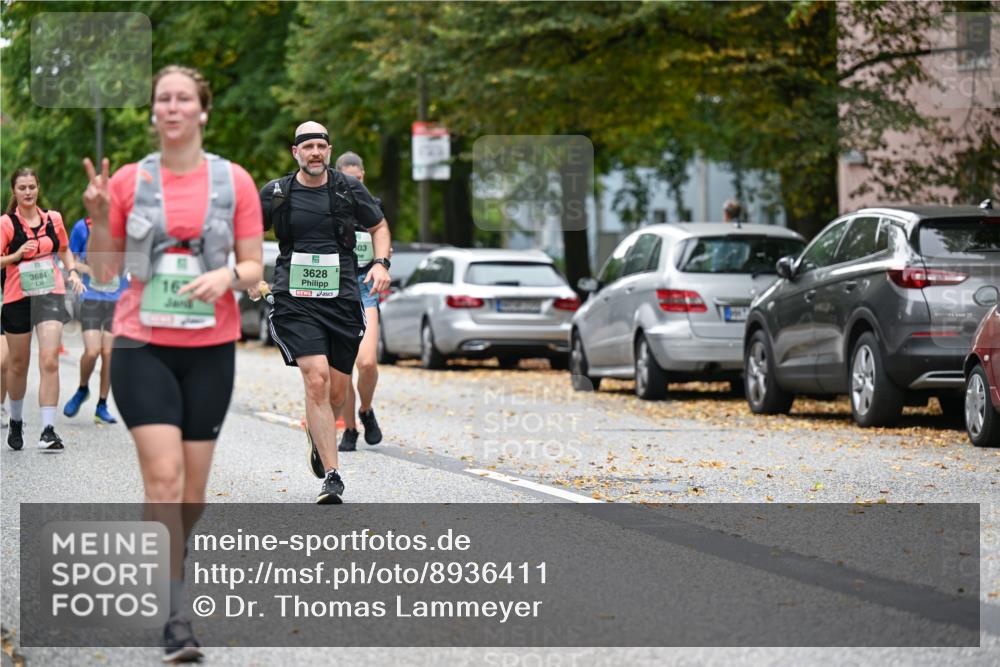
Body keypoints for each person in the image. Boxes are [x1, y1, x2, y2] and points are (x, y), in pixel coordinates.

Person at [83, 64, 263, 663]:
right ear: (154, 112)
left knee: (192, 492)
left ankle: (167, 563)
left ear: (202, 110)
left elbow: (254, 267)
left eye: (184, 98)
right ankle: (174, 615)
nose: (173, 107)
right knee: (163, 479)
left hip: (210, 349)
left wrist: (226, 276)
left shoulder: (234, 181)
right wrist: (100, 214)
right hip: (142, 345)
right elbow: (106, 272)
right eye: (164, 98)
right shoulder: (129, 181)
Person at [255, 122, 391, 504]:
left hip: (342, 298)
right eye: (307, 146)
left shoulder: (348, 189)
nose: (315, 152)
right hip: (295, 298)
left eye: (321, 146)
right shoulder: (277, 193)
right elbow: (247, 233)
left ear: (329, 150)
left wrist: (380, 263)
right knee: (316, 379)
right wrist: (251, 273)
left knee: (336, 391)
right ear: (295, 152)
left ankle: (320, 435)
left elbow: (379, 226)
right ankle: (333, 476)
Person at [1, 167, 84, 452]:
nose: (28, 192)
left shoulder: (54, 219)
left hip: (50, 293)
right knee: (18, 364)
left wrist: (72, 271)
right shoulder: (6, 224)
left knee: (49, 360)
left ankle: (48, 430)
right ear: (14, 191)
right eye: (22, 188)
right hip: (18, 297)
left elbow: (64, 248)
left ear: (38, 188)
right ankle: (16, 420)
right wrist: (15, 255)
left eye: (32, 187)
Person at [332, 151, 384, 452]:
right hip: (338, 288)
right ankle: (350, 429)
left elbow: (383, 238)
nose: (356, 184)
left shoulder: (373, 206)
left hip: (365, 288)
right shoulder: (330, 206)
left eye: (359, 179)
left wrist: (383, 262)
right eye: (349, 179)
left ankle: (366, 409)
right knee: (343, 366)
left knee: (367, 362)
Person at [62, 216, 128, 424]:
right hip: (91, 297)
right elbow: (70, 261)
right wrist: (90, 270)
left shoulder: (125, 226)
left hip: (116, 299)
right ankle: (82, 389)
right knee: (92, 351)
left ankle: (102, 405)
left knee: (108, 353)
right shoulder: (83, 227)